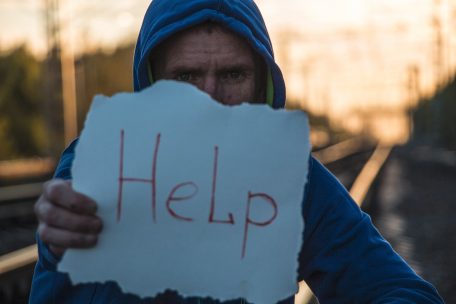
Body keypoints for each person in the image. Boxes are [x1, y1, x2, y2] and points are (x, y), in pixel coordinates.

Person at [30, 0, 444, 303]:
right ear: (152, 83)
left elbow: (399, 290)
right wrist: (59, 234)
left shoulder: (290, 180)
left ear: (261, 86)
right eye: (186, 75)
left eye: (232, 74)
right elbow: (67, 210)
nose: (209, 98)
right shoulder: (104, 162)